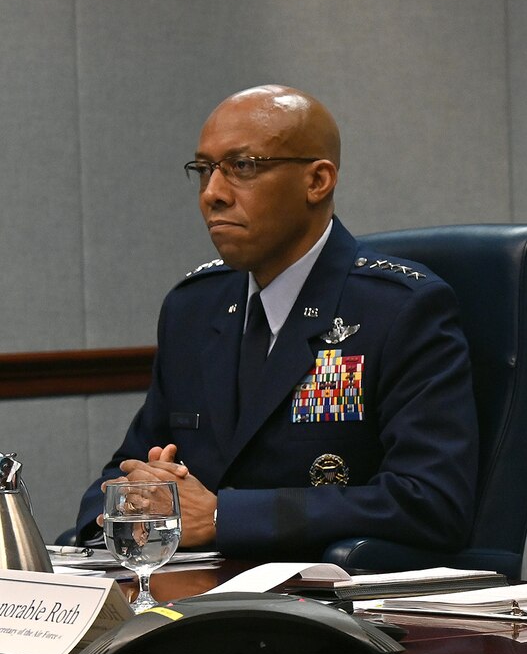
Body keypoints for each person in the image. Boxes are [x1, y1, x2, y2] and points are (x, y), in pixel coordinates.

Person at [71, 85, 478, 559]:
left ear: (317, 181)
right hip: (193, 596)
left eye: (242, 167)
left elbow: (430, 500)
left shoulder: (400, 309)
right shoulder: (193, 309)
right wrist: (138, 498)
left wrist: (224, 517)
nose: (212, 194)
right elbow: (118, 475)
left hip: (325, 609)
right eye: (204, 170)